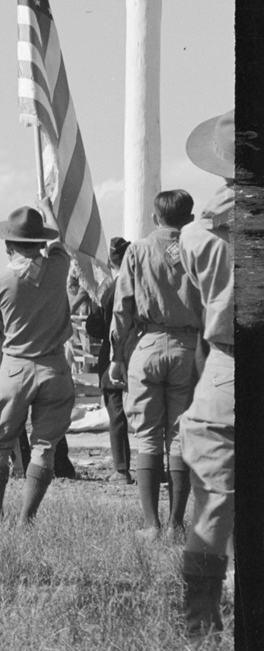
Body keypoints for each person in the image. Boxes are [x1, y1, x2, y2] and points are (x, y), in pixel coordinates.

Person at [171, 109, 236, 637]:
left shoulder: (197, 238)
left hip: (226, 374)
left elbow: (197, 310)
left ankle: (198, 628)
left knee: (212, 508)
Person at [109, 190, 206, 539]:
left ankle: (151, 525)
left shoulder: (137, 250)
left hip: (146, 345)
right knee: (181, 437)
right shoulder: (202, 249)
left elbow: (123, 306)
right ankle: (178, 523)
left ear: (154, 218)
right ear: (190, 218)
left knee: (147, 437)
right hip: (190, 347)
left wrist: (116, 356)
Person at [0, 206, 76, 523]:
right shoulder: (59, 267)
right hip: (53, 367)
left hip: (15, 367)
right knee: (45, 446)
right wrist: (49, 208)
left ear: (8, 246)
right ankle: (26, 519)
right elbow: (60, 242)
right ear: (41, 243)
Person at [86, 238, 134, 482]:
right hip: (143, 349)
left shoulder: (109, 290)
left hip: (113, 351)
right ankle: (156, 468)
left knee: (116, 412)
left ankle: (122, 468)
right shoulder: (143, 280)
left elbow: (94, 328)